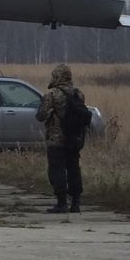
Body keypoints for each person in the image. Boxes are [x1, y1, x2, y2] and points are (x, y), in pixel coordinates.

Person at [36, 63, 86, 214]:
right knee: (73, 169)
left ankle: (62, 203)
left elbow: (41, 115)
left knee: (56, 170)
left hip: (56, 140)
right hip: (74, 139)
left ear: (56, 77)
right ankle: (76, 203)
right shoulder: (78, 94)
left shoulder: (51, 95)